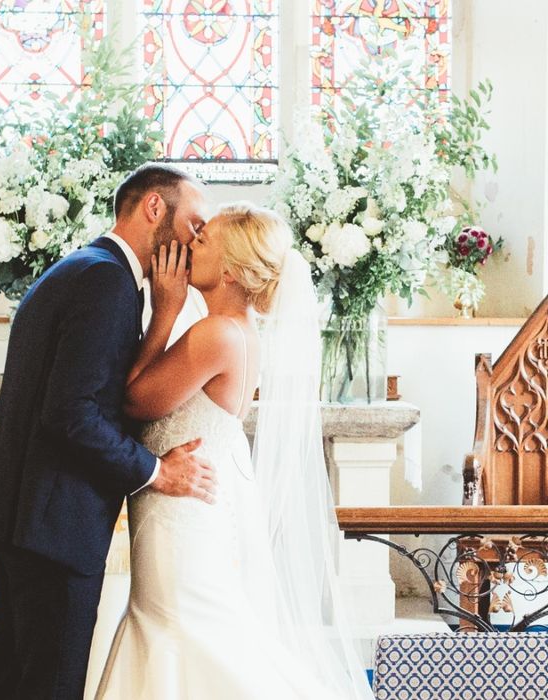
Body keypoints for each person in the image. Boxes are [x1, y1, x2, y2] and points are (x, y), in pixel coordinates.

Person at [0, 164, 218, 700]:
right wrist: (158, 472)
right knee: (49, 687)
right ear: (153, 208)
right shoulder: (106, 281)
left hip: (31, 517)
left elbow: (104, 391)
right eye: (194, 222)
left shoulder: (84, 268)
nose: (197, 238)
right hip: (55, 524)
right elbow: (74, 415)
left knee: (16, 683)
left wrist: (164, 311)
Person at [94, 203, 373, 699]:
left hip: (181, 511)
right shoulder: (235, 330)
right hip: (184, 502)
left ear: (228, 269)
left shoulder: (217, 334)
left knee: (183, 633)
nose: (189, 244)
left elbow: (135, 400)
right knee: (181, 631)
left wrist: (165, 310)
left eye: (203, 240)